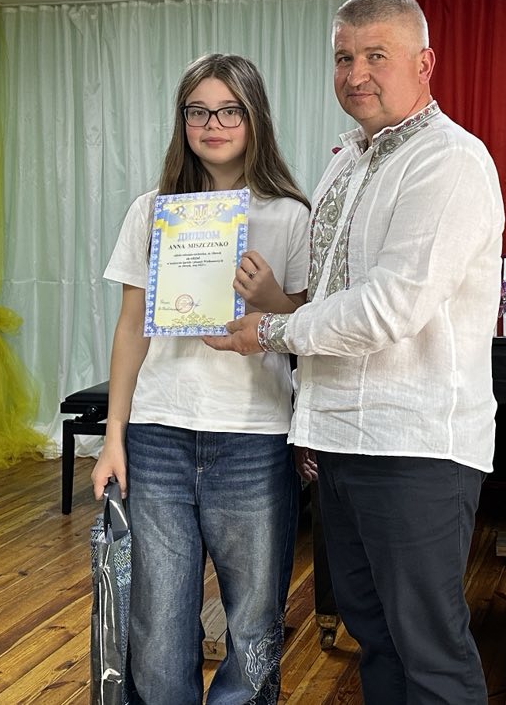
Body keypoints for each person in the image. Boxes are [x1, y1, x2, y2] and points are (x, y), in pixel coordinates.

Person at [207, 0, 504, 704]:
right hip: (339, 442)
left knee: (429, 651)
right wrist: (278, 302)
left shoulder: (449, 161)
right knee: (376, 639)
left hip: (413, 447)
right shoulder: (346, 161)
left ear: (424, 63)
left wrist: (267, 331)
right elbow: (334, 301)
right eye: (344, 58)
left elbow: (388, 309)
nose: (356, 73)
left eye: (376, 55)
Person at [91, 53, 312, 705]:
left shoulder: (290, 216)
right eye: (198, 111)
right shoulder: (152, 211)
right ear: (182, 121)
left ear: (254, 117)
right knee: (156, 626)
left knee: (254, 624)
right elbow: (131, 327)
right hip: (158, 433)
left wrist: (271, 298)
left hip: (253, 437)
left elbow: (308, 329)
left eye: (228, 111)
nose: (212, 124)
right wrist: (113, 436)